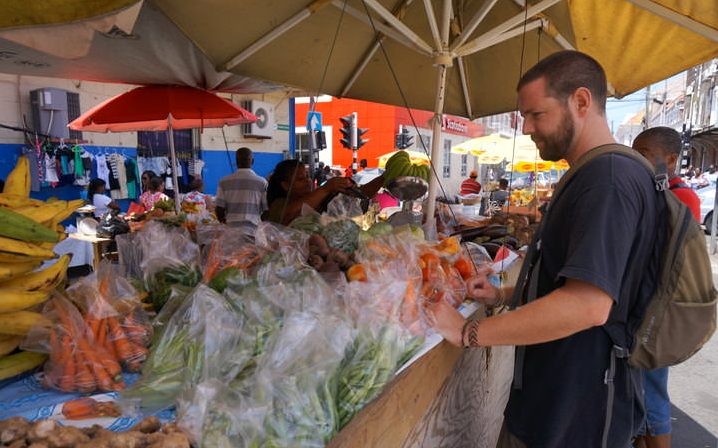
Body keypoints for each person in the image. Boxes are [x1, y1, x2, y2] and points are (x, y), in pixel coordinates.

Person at [428, 50, 663, 448]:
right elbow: (574, 281)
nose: (528, 128)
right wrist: (504, 294)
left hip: (576, 416)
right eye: (524, 117)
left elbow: (588, 305)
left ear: (582, 102)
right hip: (553, 401)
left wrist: (468, 332)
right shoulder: (592, 174)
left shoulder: (607, 181)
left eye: (537, 114)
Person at [631, 127, 700, 448]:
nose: (636, 160)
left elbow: (666, 258)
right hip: (647, 306)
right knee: (642, 390)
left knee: (652, 391)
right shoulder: (657, 190)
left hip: (659, 313)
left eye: (643, 154)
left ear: (670, 160)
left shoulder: (680, 196)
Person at [265, 159, 383, 225]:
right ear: (286, 185)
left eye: (308, 176)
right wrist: (326, 188)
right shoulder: (279, 205)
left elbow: (361, 195)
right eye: (301, 179)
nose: (308, 181)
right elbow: (289, 214)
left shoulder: (320, 198)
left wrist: (384, 178)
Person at [215, 147, 268, 232]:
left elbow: (219, 209)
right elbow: (266, 211)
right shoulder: (262, 182)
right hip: (253, 231)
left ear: (236, 161)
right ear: (252, 161)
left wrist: (225, 223)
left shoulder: (224, 182)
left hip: (231, 231)